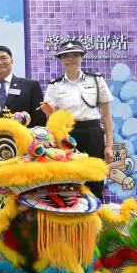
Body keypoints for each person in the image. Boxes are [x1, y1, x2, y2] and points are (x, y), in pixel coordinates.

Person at [40, 40, 114, 200]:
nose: (70, 59)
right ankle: (73, 214)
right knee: (69, 180)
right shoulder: (54, 85)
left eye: (75, 55)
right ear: (61, 60)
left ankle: (96, 212)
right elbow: (52, 118)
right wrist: (50, 114)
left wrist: (109, 146)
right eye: (65, 56)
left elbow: (107, 115)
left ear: (81, 57)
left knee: (95, 178)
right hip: (67, 136)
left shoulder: (96, 80)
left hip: (92, 133)